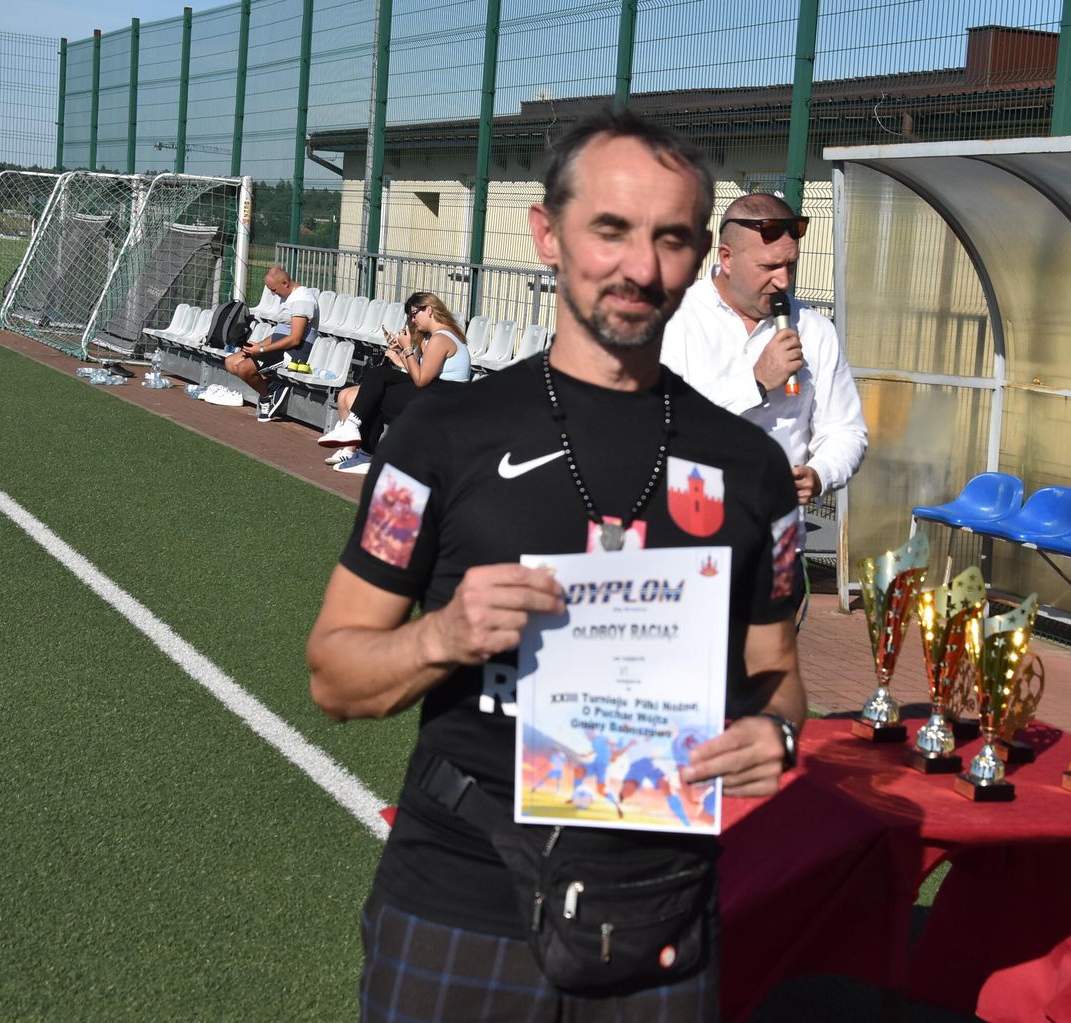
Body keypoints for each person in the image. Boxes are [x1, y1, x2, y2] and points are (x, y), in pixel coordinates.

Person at [307, 107, 805, 1021]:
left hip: (660, 913)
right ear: (548, 234)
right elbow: (335, 676)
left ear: (700, 255)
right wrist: (443, 636)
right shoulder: (438, 437)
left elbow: (777, 672)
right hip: (463, 899)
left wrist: (776, 734)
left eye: (670, 238)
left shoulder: (751, 468)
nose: (639, 266)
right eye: (610, 229)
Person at [660, 193, 867, 507]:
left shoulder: (814, 329)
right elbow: (659, 421)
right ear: (727, 258)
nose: (783, 281)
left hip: (776, 522)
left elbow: (846, 429)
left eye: (790, 265)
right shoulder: (674, 319)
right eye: (769, 266)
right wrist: (755, 382)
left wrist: (819, 474)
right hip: (691, 516)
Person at [318, 291, 473, 475]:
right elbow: (420, 375)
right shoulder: (437, 336)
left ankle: (363, 449)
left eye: (414, 314)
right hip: (438, 391)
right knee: (378, 376)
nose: (413, 320)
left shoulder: (441, 338)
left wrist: (407, 348)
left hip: (444, 399)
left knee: (379, 393)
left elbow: (421, 379)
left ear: (429, 310)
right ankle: (354, 432)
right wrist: (400, 350)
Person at [224, 266, 318, 422]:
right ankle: (275, 387)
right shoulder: (286, 296)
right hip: (280, 348)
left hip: (294, 353)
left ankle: (267, 396)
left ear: (285, 283)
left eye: (274, 290)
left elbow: (294, 339)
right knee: (231, 362)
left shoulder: (303, 299)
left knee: (244, 368)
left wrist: (261, 349)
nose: (273, 294)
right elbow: (279, 334)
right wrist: (255, 346)